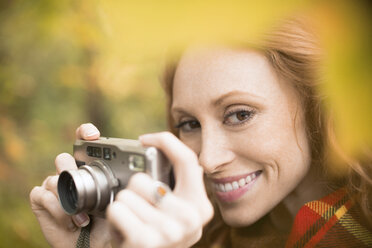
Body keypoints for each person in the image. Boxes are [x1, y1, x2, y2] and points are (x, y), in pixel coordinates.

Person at [30, 16, 372, 247]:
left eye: (239, 114)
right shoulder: (196, 235)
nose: (206, 160)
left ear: (319, 105)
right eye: (189, 124)